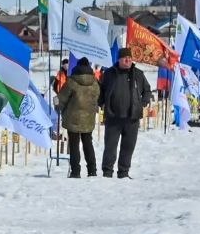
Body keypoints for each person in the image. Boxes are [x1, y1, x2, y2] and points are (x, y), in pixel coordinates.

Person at [98, 45, 151, 178]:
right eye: (124, 58)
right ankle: (107, 172)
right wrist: (101, 103)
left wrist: (143, 103)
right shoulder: (109, 74)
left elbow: (147, 90)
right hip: (113, 117)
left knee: (128, 147)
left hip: (132, 118)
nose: (128, 60)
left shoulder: (138, 74)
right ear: (119, 59)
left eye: (129, 58)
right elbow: (100, 91)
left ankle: (123, 172)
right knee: (110, 147)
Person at [57, 57, 100, 178]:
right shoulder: (95, 82)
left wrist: (59, 107)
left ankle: (75, 171)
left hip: (73, 118)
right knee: (88, 143)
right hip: (88, 118)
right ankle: (92, 170)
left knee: (74, 145)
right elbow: (97, 97)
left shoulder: (71, 82)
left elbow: (61, 99)